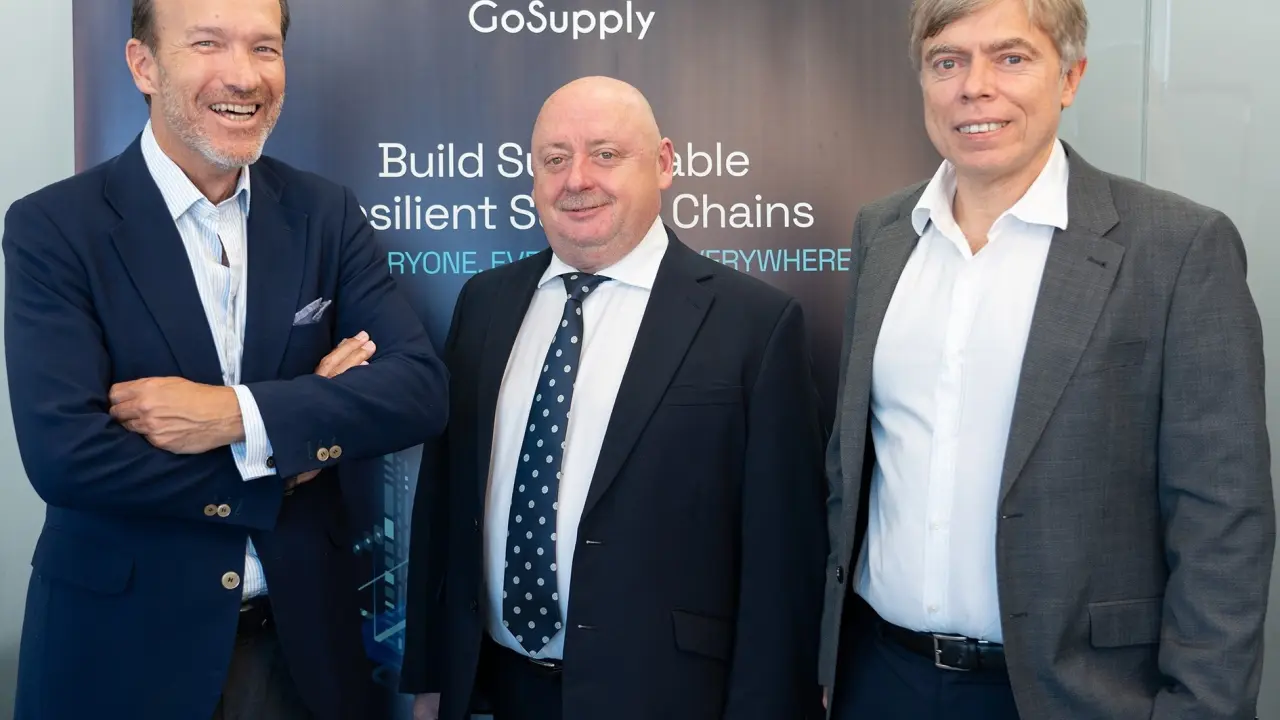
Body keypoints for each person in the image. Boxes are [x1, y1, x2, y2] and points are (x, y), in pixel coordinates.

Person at [819, 0, 1275, 718]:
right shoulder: (884, 233)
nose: (975, 86)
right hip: (880, 678)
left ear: (1070, 77)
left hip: (1077, 695)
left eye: (1011, 57)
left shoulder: (1177, 247)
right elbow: (855, 469)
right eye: (947, 61)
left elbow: (1222, 517)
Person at [3, 0, 449, 717]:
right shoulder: (54, 226)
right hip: (120, 652)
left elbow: (419, 391)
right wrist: (283, 458)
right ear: (144, 65)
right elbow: (66, 455)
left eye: (264, 48)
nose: (243, 76)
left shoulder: (325, 214)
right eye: (208, 44)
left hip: (302, 652)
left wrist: (235, 416)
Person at [399, 76, 828, 720]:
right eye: (554, 159)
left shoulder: (755, 324)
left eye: (605, 154)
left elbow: (783, 561)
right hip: (501, 689)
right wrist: (432, 681)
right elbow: (443, 502)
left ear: (663, 164)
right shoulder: (485, 303)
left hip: (669, 698)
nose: (577, 179)